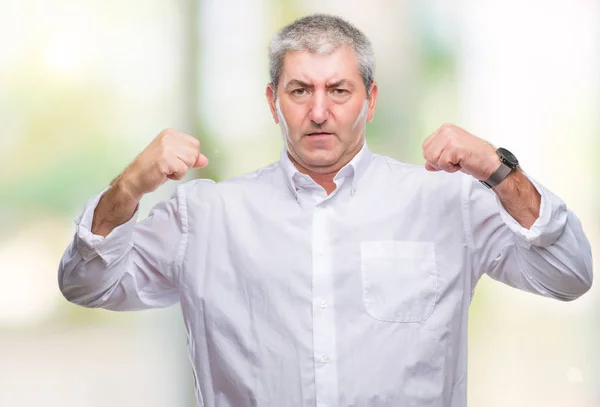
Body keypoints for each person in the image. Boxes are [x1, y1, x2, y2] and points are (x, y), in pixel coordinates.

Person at [58, 13, 593, 407]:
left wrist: (499, 170)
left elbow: (569, 274)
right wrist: (128, 185)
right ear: (273, 101)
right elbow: (87, 284)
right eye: (299, 90)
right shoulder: (207, 215)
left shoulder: (446, 202)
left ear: (370, 99)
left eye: (338, 89)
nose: (319, 111)